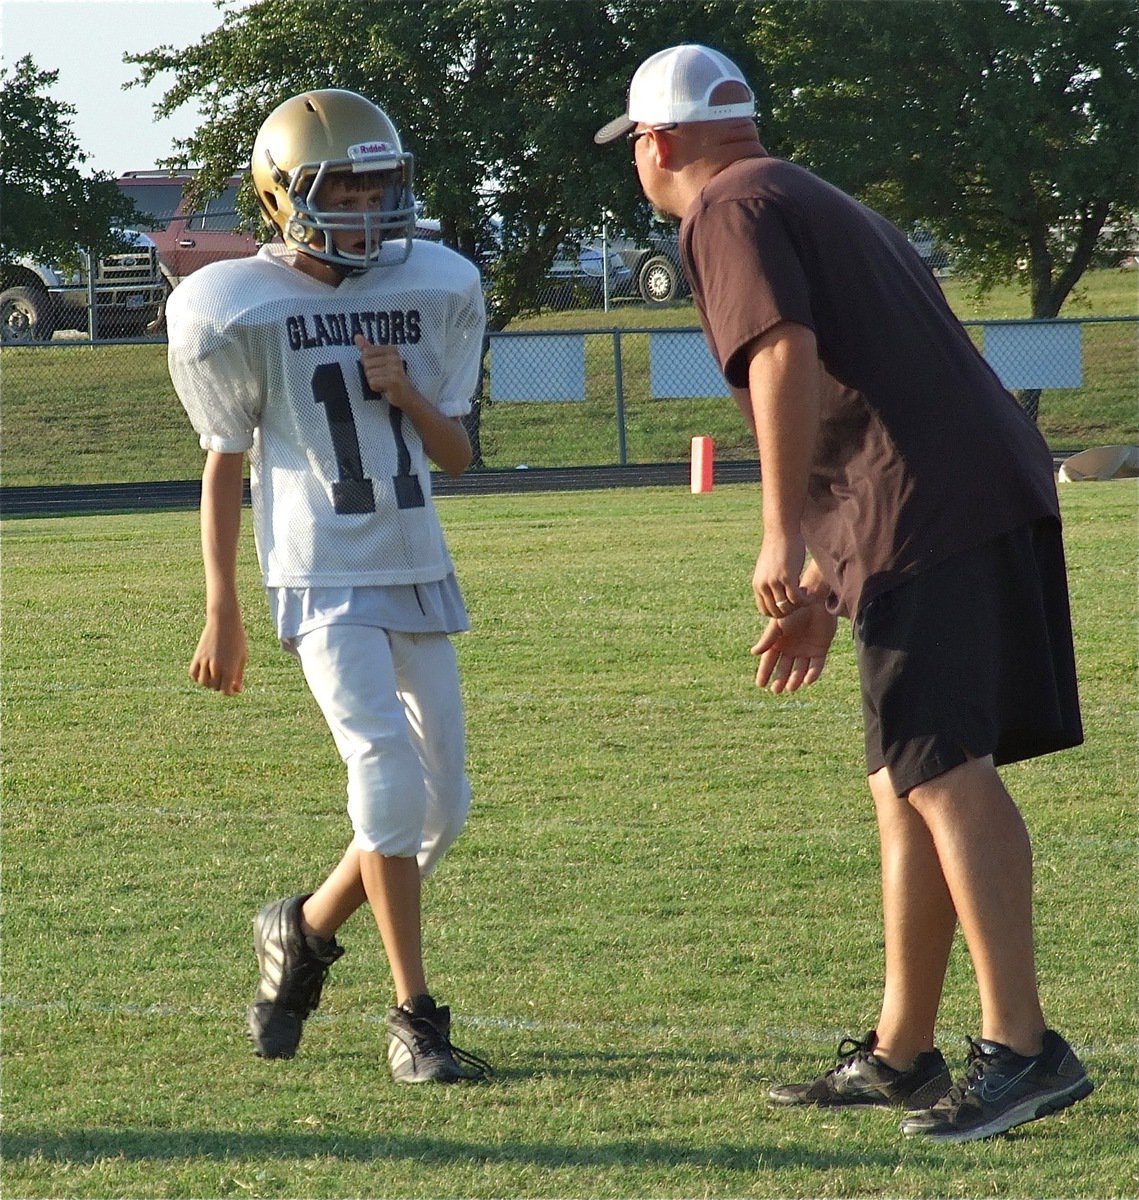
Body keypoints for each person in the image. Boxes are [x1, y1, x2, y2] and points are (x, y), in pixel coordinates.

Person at [597, 44, 1092, 1142]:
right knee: (901, 776)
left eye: (633, 143)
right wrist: (828, 574)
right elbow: (887, 378)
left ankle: (1022, 1047)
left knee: (940, 768)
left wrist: (779, 529)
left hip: (924, 506)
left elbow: (785, 358)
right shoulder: (804, 191)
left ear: (658, 142)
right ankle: (901, 1050)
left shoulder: (722, 207)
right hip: (955, 489)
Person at [168, 88, 490, 1084]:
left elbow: (458, 457)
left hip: (414, 560)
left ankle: (301, 930)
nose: (367, 208)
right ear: (281, 196)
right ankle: (414, 1016)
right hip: (319, 571)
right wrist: (221, 604)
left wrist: (403, 391)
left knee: (442, 810)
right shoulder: (234, 303)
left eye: (378, 187)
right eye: (341, 188)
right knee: (386, 780)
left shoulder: (433, 282)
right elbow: (226, 461)